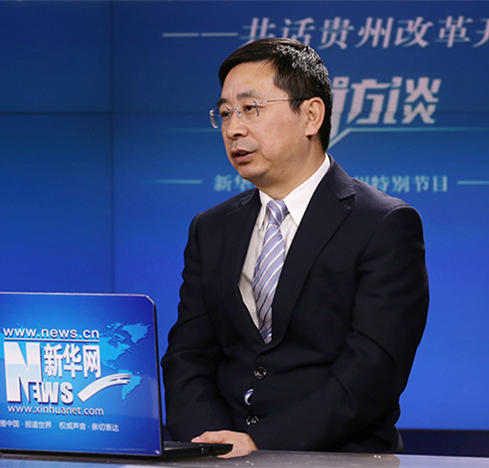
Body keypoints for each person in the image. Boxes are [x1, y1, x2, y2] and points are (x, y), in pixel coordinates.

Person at [161, 37, 429, 458]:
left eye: (251, 108)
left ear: (311, 115)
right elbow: (187, 356)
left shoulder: (382, 223)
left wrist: (262, 446)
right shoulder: (211, 228)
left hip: (338, 459)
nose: (233, 129)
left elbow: (373, 370)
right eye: (226, 113)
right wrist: (210, 443)